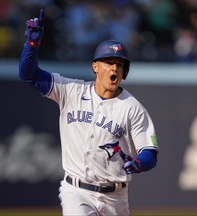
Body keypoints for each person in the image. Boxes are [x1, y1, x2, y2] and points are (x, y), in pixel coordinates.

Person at [19, 9, 159, 216]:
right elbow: (28, 75)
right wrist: (31, 45)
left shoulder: (133, 108)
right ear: (95, 66)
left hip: (116, 198)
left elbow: (150, 151)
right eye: (109, 62)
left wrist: (139, 163)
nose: (114, 69)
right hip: (77, 191)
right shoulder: (70, 90)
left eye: (119, 65)